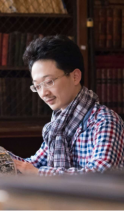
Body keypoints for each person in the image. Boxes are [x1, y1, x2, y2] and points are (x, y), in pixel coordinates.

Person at [11, 35, 124, 176]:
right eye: (37, 86)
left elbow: (101, 174)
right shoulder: (58, 127)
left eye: (49, 81)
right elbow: (32, 164)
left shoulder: (104, 121)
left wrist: (38, 173)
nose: (44, 93)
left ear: (75, 76)